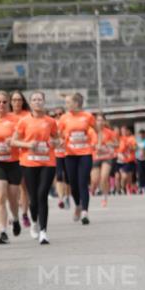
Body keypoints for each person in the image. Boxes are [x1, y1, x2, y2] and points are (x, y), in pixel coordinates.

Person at [12, 91, 58, 245]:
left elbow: (57, 139)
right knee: (33, 198)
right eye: (34, 100)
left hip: (47, 162)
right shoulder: (24, 121)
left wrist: (56, 143)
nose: (37, 102)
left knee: (42, 194)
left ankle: (44, 232)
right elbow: (14, 142)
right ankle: (34, 222)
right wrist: (27, 145)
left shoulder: (51, 121)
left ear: (44, 102)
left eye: (40, 99)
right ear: (30, 103)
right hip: (29, 162)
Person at [0, 90, 21, 244]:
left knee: (13, 197)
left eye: (4, 102)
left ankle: (15, 219)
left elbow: (23, 138)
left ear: (9, 103)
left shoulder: (16, 120)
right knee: (0, 196)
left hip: (13, 162)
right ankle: (3, 231)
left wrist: (13, 143)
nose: (1, 105)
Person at [59, 92, 96, 224]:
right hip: (70, 154)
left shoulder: (88, 116)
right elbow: (58, 134)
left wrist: (96, 143)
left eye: (68, 102)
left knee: (82, 183)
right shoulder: (64, 118)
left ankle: (85, 212)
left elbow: (97, 130)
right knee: (73, 184)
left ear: (77, 103)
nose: (66, 105)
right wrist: (61, 141)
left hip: (85, 153)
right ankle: (78, 206)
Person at [10, 90, 31, 228]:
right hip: (8, 158)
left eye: (19, 100)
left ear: (23, 101)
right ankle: (14, 213)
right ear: (10, 102)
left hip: (24, 156)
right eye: (14, 100)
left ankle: (24, 214)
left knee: (24, 187)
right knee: (12, 189)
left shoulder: (28, 116)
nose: (17, 102)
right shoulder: (6, 116)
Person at [91, 113, 118, 207]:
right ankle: (96, 189)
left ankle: (104, 197)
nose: (100, 122)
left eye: (102, 120)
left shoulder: (109, 132)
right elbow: (88, 144)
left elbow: (116, 144)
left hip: (107, 157)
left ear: (105, 121)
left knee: (104, 177)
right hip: (96, 157)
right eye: (98, 120)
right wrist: (95, 146)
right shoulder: (91, 132)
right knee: (94, 180)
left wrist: (108, 145)